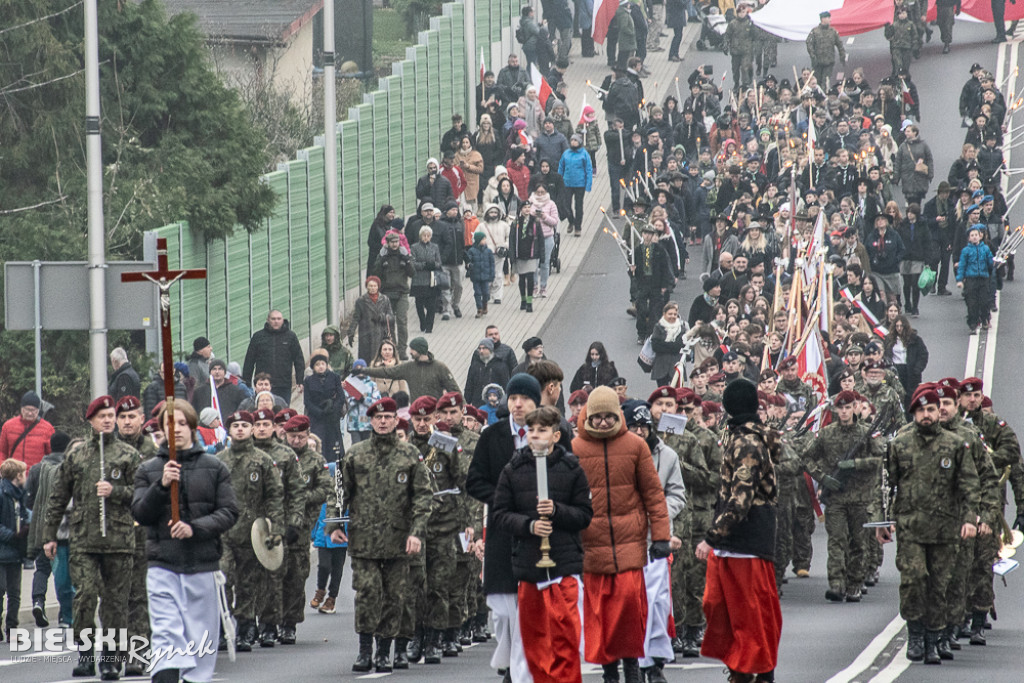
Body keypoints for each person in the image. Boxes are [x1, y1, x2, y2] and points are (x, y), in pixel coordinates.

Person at [131, 401, 238, 683]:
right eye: (168, 424)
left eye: (180, 423)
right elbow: (140, 513)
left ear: (191, 426)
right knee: (166, 635)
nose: (175, 429)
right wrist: (162, 486)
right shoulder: (148, 470)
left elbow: (228, 512)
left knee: (201, 644)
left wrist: (195, 528)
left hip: (202, 565)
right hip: (162, 565)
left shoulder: (215, 467)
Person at [573, 386, 671, 683]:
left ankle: (632, 670)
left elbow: (654, 494)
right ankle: (609, 674)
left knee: (629, 614)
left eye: (608, 416)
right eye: (597, 417)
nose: (603, 422)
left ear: (618, 415)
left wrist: (661, 536)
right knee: (601, 620)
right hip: (592, 548)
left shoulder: (636, 446)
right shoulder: (575, 448)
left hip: (630, 547)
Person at [328, 397, 432, 673]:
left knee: (395, 597)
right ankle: (365, 651)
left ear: (396, 421)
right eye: (378, 418)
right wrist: (335, 525)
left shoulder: (410, 455)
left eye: (388, 417)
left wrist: (417, 533)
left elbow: (423, 497)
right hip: (364, 540)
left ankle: (385, 651)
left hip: (399, 541)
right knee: (367, 594)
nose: (384, 422)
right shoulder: (354, 453)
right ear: (370, 421)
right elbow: (339, 491)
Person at [876, 387, 980, 664]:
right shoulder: (899, 444)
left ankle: (934, 640)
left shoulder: (956, 445)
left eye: (931, 409)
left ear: (938, 412)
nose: (926, 415)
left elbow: (970, 485)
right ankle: (916, 636)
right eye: (921, 410)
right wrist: (883, 521)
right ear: (914, 414)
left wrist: (970, 519)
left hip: (946, 529)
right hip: (911, 528)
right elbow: (887, 486)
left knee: (939, 585)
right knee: (913, 580)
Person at [491, 405, 594, 683]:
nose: (536, 435)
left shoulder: (572, 469)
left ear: (556, 435)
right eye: (532, 430)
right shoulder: (513, 470)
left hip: (563, 566)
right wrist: (529, 525)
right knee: (535, 642)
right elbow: (500, 515)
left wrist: (558, 511)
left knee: (565, 638)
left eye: (543, 430)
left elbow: (584, 515)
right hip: (529, 567)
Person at [43, 396, 139, 679]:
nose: (108, 420)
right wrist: (49, 536)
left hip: (119, 539)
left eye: (111, 415)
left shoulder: (128, 455)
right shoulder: (76, 455)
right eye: (102, 416)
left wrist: (116, 492)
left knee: (115, 603)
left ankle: (111, 658)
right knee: (84, 597)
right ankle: (86, 654)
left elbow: (142, 495)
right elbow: (58, 497)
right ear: (91, 421)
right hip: (84, 539)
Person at [695, 380, 782, 683]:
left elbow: (741, 500)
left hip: (745, 542)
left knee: (748, 616)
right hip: (737, 544)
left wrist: (712, 537)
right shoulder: (741, 436)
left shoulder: (746, 442)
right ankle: (743, 669)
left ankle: (750, 673)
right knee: (723, 610)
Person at [467, 374, 543, 682]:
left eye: (524, 398)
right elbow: (474, 480)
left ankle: (519, 669)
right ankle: (511, 659)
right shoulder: (493, 435)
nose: (518, 404)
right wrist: (502, 500)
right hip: (501, 531)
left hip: (536, 534)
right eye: (513, 398)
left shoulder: (551, 434)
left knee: (528, 606)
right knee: (501, 609)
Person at [621, 400, 686, 683]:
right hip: (624, 541)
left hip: (655, 540)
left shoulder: (668, 456)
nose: (639, 431)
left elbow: (677, 494)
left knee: (658, 603)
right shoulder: (615, 455)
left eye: (644, 426)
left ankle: (654, 663)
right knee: (630, 606)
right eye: (633, 426)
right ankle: (631, 662)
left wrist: (658, 511)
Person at [802, 391, 884, 603]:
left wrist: (855, 464)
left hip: (860, 498)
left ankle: (854, 584)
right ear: (835, 410)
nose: (845, 412)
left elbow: (879, 460)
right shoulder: (827, 434)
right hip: (836, 498)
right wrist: (823, 478)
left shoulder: (867, 433)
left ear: (856, 407)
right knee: (837, 541)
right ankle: (837, 584)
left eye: (849, 407)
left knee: (858, 543)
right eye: (841, 408)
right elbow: (807, 458)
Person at [216, 410, 284, 652]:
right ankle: (223, 628)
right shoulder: (219, 460)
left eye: (245, 425)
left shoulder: (263, 461)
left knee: (247, 583)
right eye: (236, 426)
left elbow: (275, 495)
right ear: (229, 430)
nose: (241, 429)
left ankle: (245, 629)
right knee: (223, 578)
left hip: (252, 532)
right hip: (223, 531)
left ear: (253, 429)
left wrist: (275, 527)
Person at [278, 415, 332, 644]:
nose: (297, 440)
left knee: (296, 575)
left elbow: (324, 490)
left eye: (301, 436)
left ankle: (290, 622)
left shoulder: (316, 461)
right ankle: (270, 622)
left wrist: (300, 497)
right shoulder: (276, 457)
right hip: (275, 526)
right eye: (293, 436)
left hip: (301, 527)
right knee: (273, 576)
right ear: (285, 436)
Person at [24, 431, 74, 628]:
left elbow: (29, 500)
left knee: (42, 568)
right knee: (65, 572)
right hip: (65, 530)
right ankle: (64, 613)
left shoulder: (37, 469)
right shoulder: (70, 468)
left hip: (42, 528)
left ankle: (38, 602)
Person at [241, 310, 305, 404]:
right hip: (263, 385)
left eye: (279, 319)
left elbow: (298, 359)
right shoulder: (258, 337)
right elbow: (249, 361)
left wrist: (300, 380)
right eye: (273, 319)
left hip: (283, 384)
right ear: (268, 320)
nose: (276, 321)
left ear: (283, 320)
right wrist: (246, 382)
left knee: (282, 412)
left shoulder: (290, 336)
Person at [309, 457, 346, 616]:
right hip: (322, 536)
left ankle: (332, 598)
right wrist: (312, 534)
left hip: (341, 538)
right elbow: (314, 516)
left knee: (337, 569)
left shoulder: (344, 495)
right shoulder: (321, 494)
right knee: (323, 566)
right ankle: (320, 590)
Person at [0, 458, 29, 640]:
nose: (25, 476)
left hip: (16, 552)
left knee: (15, 593)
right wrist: (13, 536)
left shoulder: (20, 495)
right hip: (3, 551)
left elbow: (24, 515)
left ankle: (12, 627)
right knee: (1, 590)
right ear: (17, 475)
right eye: (23, 473)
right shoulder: (3, 494)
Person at [633, 224, 675, 344]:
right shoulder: (637, 250)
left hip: (655, 283)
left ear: (652, 236)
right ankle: (641, 333)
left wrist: (664, 285)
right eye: (645, 233)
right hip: (643, 283)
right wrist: (632, 271)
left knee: (655, 310)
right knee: (641, 308)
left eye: (650, 234)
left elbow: (664, 268)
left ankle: (651, 333)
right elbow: (633, 272)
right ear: (642, 234)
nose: (647, 236)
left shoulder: (659, 250)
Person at [304, 351, 345, 460]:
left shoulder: (334, 377)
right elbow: (307, 401)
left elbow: (341, 397)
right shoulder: (308, 381)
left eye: (322, 364)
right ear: (313, 367)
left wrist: (334, 409)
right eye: (317, 364)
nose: (320, 367)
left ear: (326, 365)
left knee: (334, 446)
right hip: (317, 418)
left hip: (332, 416)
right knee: (320, 443)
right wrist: (318, 412)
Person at [0, 390, 54, 469]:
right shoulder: (8, 426)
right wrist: (2, 466)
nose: (30, 413)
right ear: (21, 408)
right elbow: (2, 451)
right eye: (27, 409)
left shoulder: (47, 429)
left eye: (33, 410)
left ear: (38, 410)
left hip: (36, 477)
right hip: (12, 475)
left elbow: (52, 455)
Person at [956, 224, 995, 333]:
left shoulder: (986, 249)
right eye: (972, 235)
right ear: (969, 238)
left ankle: (985, 319)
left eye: (976, 235)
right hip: (971, 280)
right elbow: (962, 266)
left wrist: (993, 265)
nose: (974, 237)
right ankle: (972, 324)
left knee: (984, 301)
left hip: (983, 279)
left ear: (980, 236)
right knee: (971, 303)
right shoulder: (966, 251)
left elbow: (990, 263)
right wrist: (959, 279)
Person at [510, 200, 546, 312]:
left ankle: (530, 301)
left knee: (530, 277)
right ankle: (523, 299)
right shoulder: (516, 222)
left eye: (528, 207)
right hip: (520, 253)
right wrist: (511, 256)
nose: (526, 209)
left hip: (531, 253)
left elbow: (540, 238)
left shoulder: (535, 221)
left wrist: (542, 254)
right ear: (520, 209)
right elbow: (512, 240)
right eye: (524, 207)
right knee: (522, 278)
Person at [559, 134, 594, 236]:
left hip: (580, 184)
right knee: (566, 205)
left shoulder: (584, 154)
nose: (573, 142)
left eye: (575, 140)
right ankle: (571, 221)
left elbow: (588, 169)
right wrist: (559, 181)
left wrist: (588, 184)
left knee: (578, 206)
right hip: (567, 183)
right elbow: (561, 167)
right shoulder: (566, 153)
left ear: (579, 142)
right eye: (572, 140)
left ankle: (578, 227)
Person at [410, 225, 443, 333]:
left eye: (428, 235)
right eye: (424, 235)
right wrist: (424, 265)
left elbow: (439, 262)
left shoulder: (435, 247)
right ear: (420, 236)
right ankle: (422, 322)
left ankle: (429, 326)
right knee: (419, 303)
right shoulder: (414, 247)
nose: (426, 237)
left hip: (431, 280)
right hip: (418, 280)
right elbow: (413, 263)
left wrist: (433, 265)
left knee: (431, 305)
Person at [650, 302, 688, 387]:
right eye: (670, 314)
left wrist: (664, 344)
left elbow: (679, 346)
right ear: (664, 314)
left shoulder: (681, 328)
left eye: (675, 314)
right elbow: (655, 346)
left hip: (676, 367)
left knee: (677, 394)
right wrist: (672, 346)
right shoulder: (658, 327)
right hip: (661, 368)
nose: (672, 316)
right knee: (663, 393)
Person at [806, 11, 846, 87]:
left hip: (829, 61)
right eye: (828, 18)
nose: (830, 20)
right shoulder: (815, 31)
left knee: (826, 81)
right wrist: (813, 56)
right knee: (817, 81)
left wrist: (842, 56)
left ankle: (824, 95)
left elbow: (839, 44)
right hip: (817, 61)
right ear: (823, 19)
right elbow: (809, 43)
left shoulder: (833, 31)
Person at [724, 2, 757, 93]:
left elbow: (754, 36)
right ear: (737, 13)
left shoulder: (749, 23)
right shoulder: (733, 23)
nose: (742, 14)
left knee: (744, 67)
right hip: (735, 50)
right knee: (735, 68)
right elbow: (727, 35)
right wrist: (725, 45)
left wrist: (753, 46)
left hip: (746, 50)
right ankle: (736, 83)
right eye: (740, 12)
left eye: (743, 12)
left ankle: (745, 84)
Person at [466, 231, 496, 317]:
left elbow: (492, 264)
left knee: (486, 293)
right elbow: (469, 261)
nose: (484, 241)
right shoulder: (471, 251)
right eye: (483, 239)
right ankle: (479, 308)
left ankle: (485, 305)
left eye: (485, 239)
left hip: (485, 276)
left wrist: (492, 275)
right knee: (477, 293)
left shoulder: (488, 251)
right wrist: (469, 266)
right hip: (475, 276)